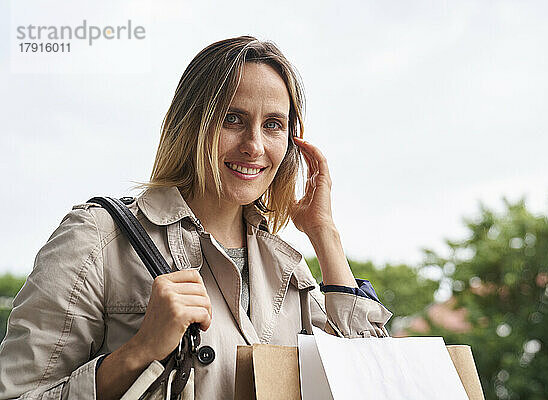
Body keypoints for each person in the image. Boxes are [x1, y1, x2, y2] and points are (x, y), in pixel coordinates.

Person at [0, 36, 392, 399]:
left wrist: (325, 234)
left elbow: (373, 381)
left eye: (273, 125)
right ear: (191, 124)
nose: (254, 146)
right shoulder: (96, 240)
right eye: (232, 119)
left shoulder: (289, 271)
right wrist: (140, 351)